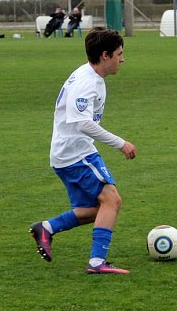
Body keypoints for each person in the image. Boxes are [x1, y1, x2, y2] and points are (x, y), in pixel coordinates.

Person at [29, 29, 136, 274]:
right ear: (105, 55)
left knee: (100, 210)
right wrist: (120, 143)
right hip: (75, 154)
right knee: (112, 200)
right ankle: (97, 263)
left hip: (68, 152)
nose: (122, 59)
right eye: (119, 54)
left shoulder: (91, 75)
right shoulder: (87, 83)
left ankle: (46, 228)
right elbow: (82, 123)